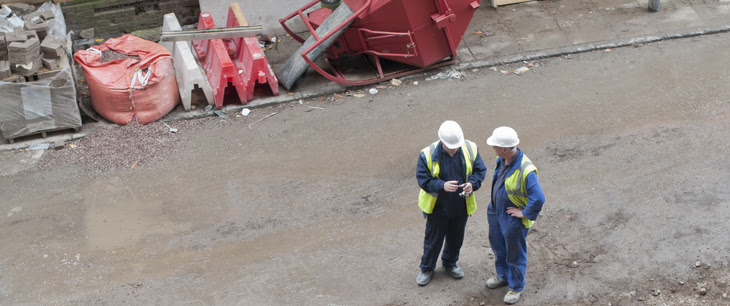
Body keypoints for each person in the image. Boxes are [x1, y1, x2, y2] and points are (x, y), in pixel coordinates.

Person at [415, 120, 487, 286]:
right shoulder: (427, 154)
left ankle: (450, 263)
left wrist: (472, 184)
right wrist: (441, 185)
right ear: (442, 142)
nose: (454, 149)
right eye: (450, 146)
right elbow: (423, 181)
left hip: (461, 206)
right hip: (438, 208)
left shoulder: (470, 148)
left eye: (456, 146)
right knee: (433, 240)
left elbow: (479, 171)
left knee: (456, 238)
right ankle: (426, 268)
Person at [484, 126, 545, 304]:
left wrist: (524, 213)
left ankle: (515, 287)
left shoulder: (526, 170)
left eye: (494, 146)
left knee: (515, 253)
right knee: (498, 247)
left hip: (511, 217)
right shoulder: (502, 159)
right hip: (496, 211)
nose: (492, 148)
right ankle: (502, 276)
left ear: (504, 149)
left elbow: (539, 198)